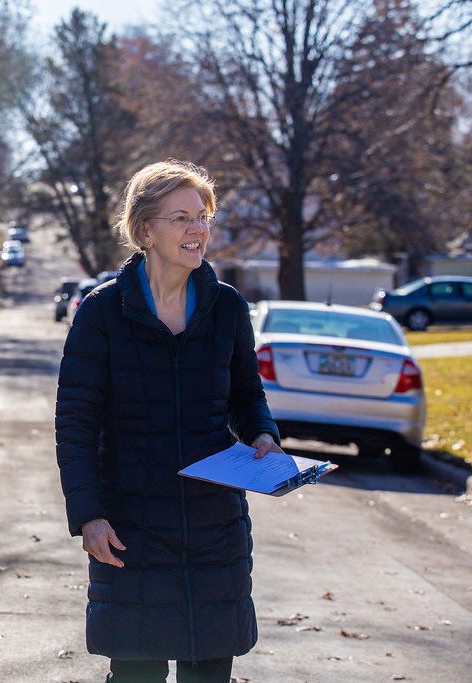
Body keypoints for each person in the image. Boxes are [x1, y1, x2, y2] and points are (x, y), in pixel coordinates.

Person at [55, 160, 283, 683]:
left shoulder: (227, 308)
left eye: (202, 216)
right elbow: (75, 426)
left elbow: (247, 396)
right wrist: (88, 516)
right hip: (130, 531)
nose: (197, 229)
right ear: (145, 231)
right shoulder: (101, 314)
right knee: (137, 675)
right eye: (181, 217)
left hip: (214, 530)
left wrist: (264, 436)